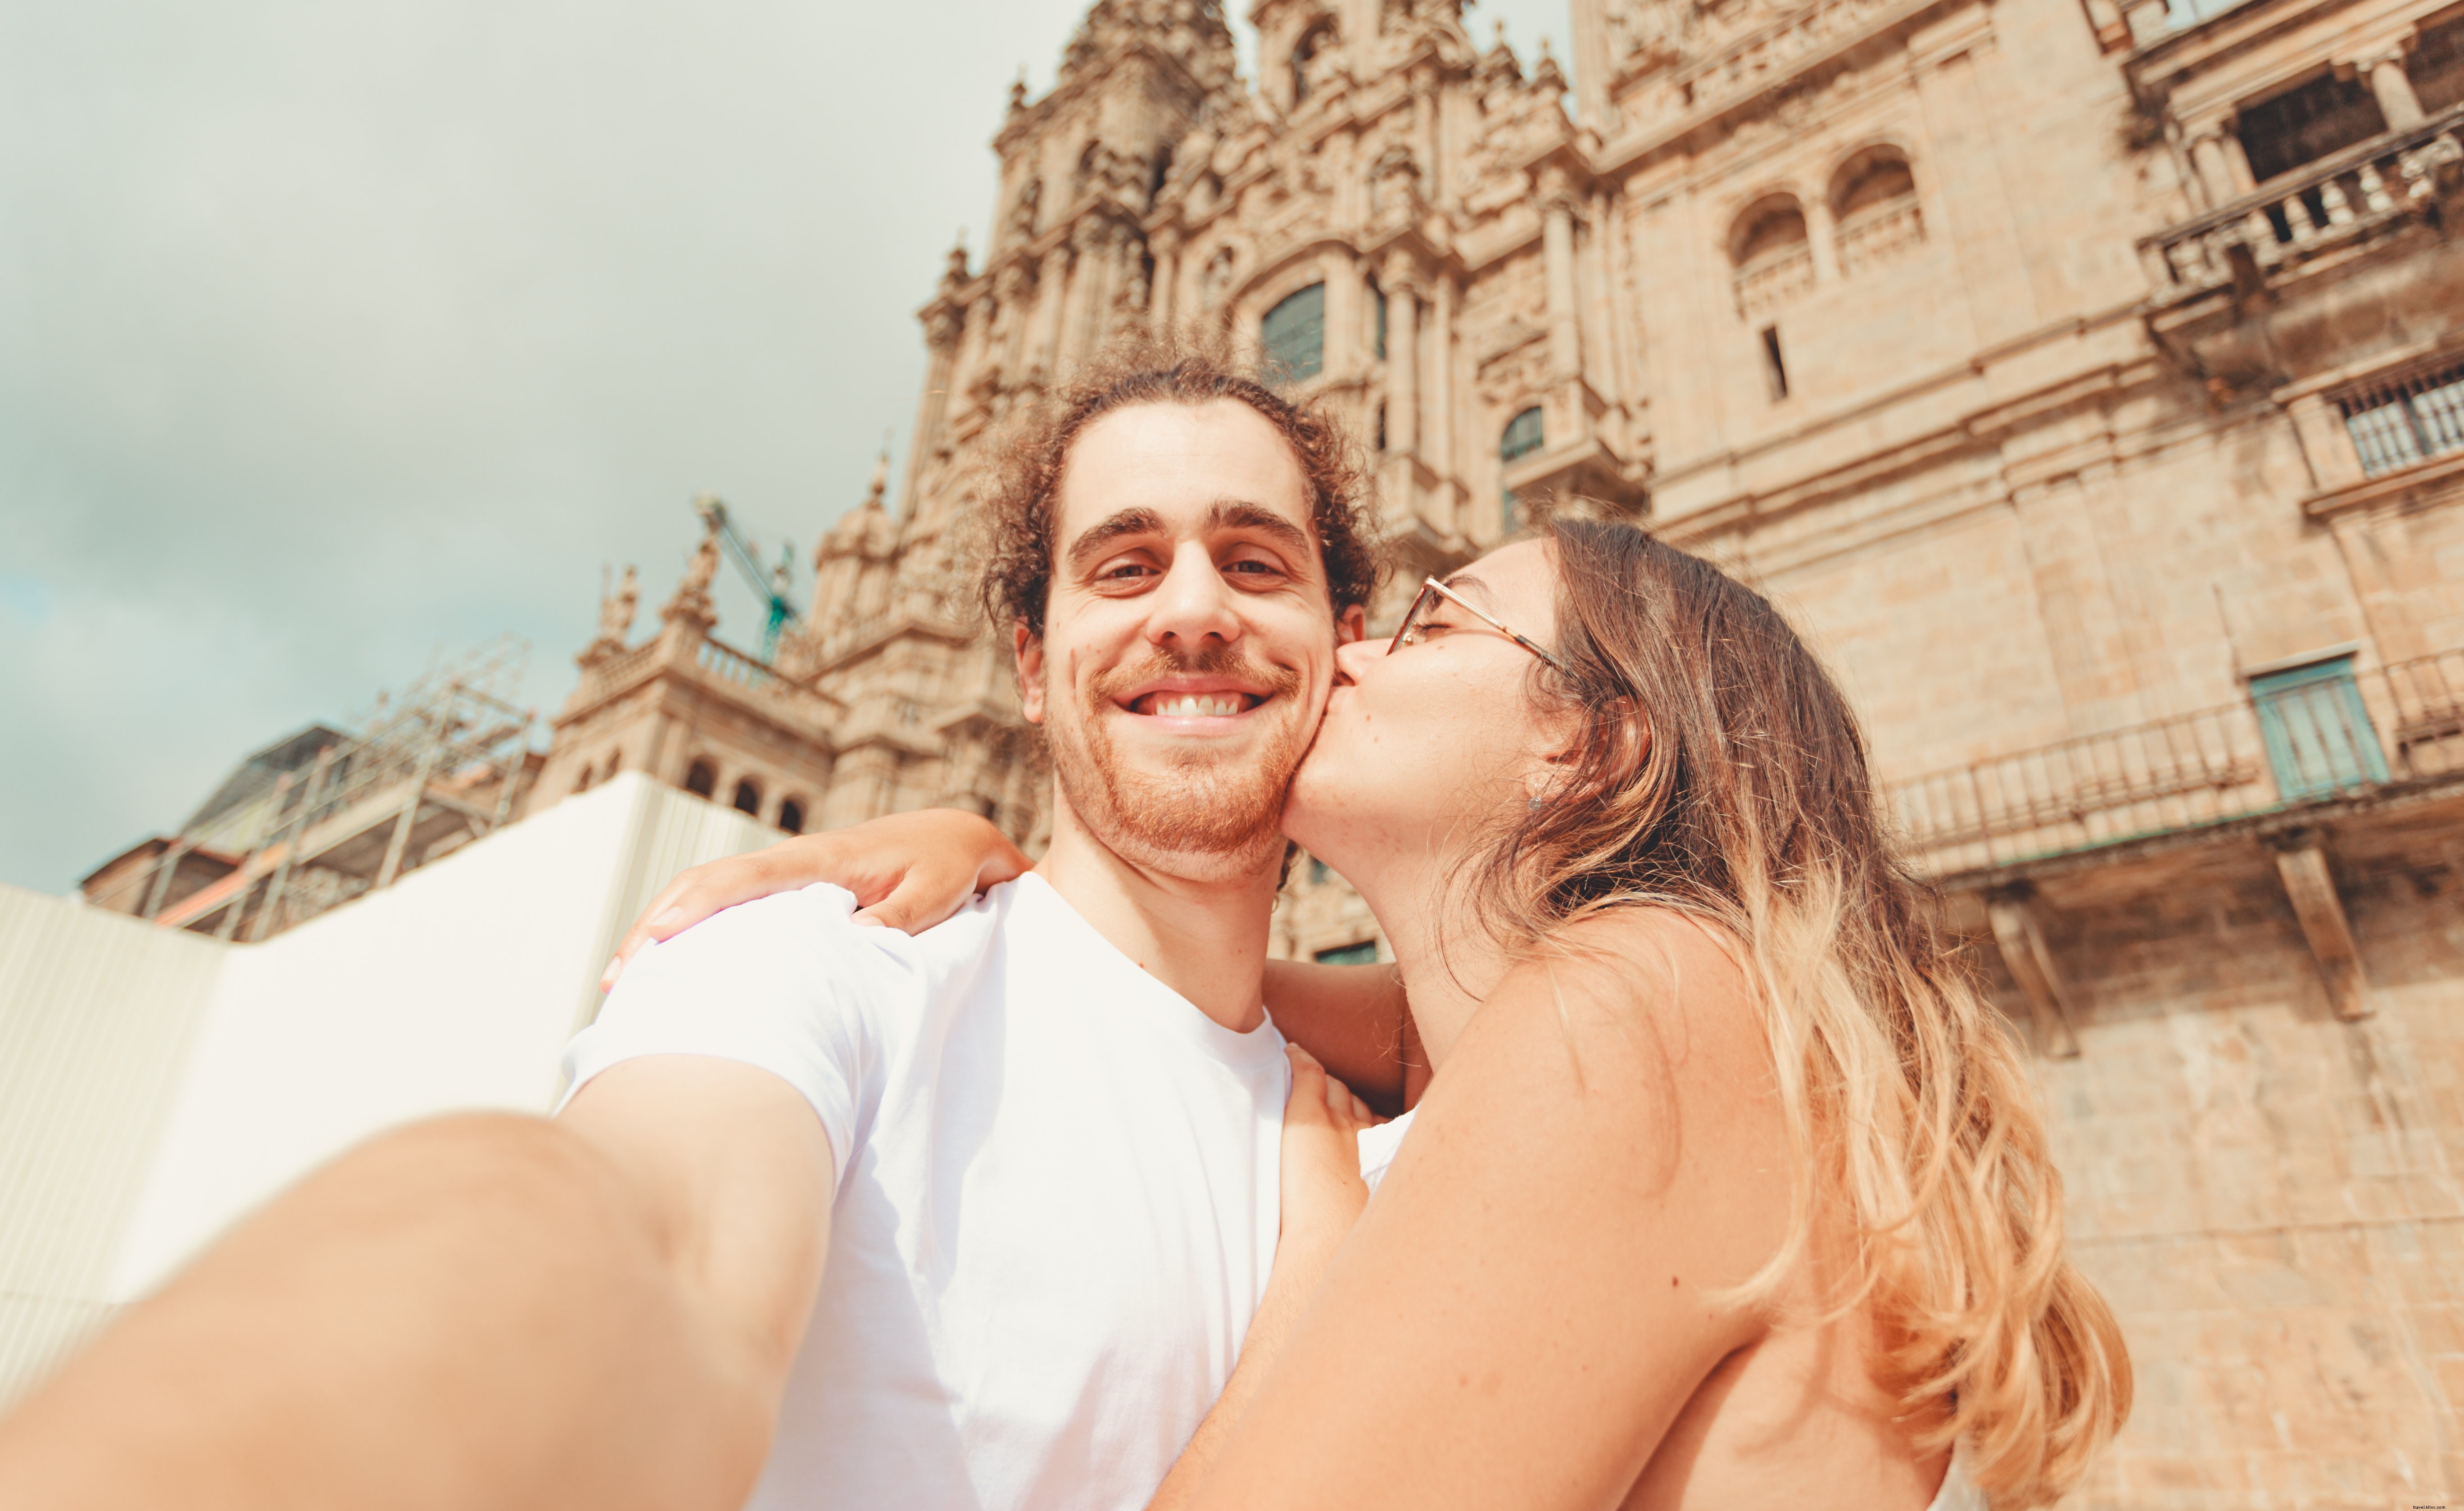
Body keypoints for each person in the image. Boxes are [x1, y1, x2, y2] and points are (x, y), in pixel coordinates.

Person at [0, 339, 1386, 1511]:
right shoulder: (817, 960)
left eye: (1258, 563)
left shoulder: (1389, 1117)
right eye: (1127, 566)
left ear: (1354, 636)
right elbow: (653, 1243)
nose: (1196, 611)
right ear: (1028, 661)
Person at [624, 518, 2135, 1510]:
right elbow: (1212, 992)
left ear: (1591, 746)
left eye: (1432, 625)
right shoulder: (1619, 1024)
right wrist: (998, 857)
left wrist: (1323, 1268)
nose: (1344, 652)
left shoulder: (1638, 1012)